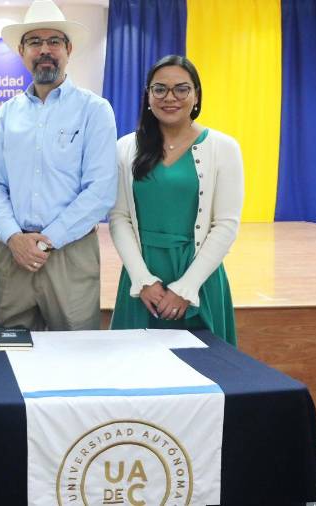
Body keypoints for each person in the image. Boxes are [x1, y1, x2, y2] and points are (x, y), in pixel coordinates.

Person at [0, 0, 118, 331]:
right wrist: (15, 237)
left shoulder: (94, 110)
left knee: (74, 357)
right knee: (10, 351)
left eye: (54, 41)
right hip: (14, 253)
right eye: (35, 42)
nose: (45, 50)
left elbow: (100, 190)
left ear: (68, 49)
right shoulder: (7, 112)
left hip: (70, 253)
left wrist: (48, 238)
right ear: (22, 51)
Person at [109, 55, 244, 345]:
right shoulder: (125, 148)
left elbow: (226, 225)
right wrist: (143, 281)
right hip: (141, 280)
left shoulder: (224, 148)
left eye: (181, 89)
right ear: (148, 96)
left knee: (206, 371)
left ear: (196, 96)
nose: (170, 97)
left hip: (198, 278)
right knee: (136, 373)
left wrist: (186, 288)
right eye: (160, 89)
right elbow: (119, 218)